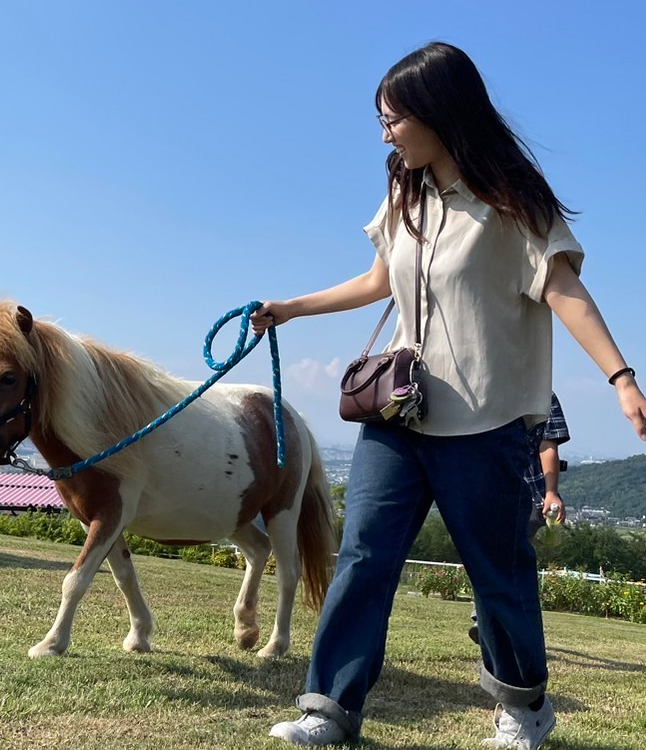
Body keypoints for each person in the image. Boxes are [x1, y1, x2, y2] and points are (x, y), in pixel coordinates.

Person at [250, 42, 646, 749]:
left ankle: (523, 708)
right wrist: (291, 307)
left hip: (489, 423)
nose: (385, 134)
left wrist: (622, 379)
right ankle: (330, 711)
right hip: (401, 414)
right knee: (364, 555)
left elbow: (562, 288)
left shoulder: (511, 200)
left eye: (394, 119)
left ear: (440, 112)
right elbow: (377, 280)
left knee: (497, 573)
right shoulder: (406, 194)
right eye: (381, 121)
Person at [469, 392, 570, 645]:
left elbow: (548, 445)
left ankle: (490, 621)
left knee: (507, 555)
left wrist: (550, 492)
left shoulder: (543, 392)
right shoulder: (483, 386)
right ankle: (492, 620)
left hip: (528, 491)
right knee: (494, 555)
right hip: (489, 485)